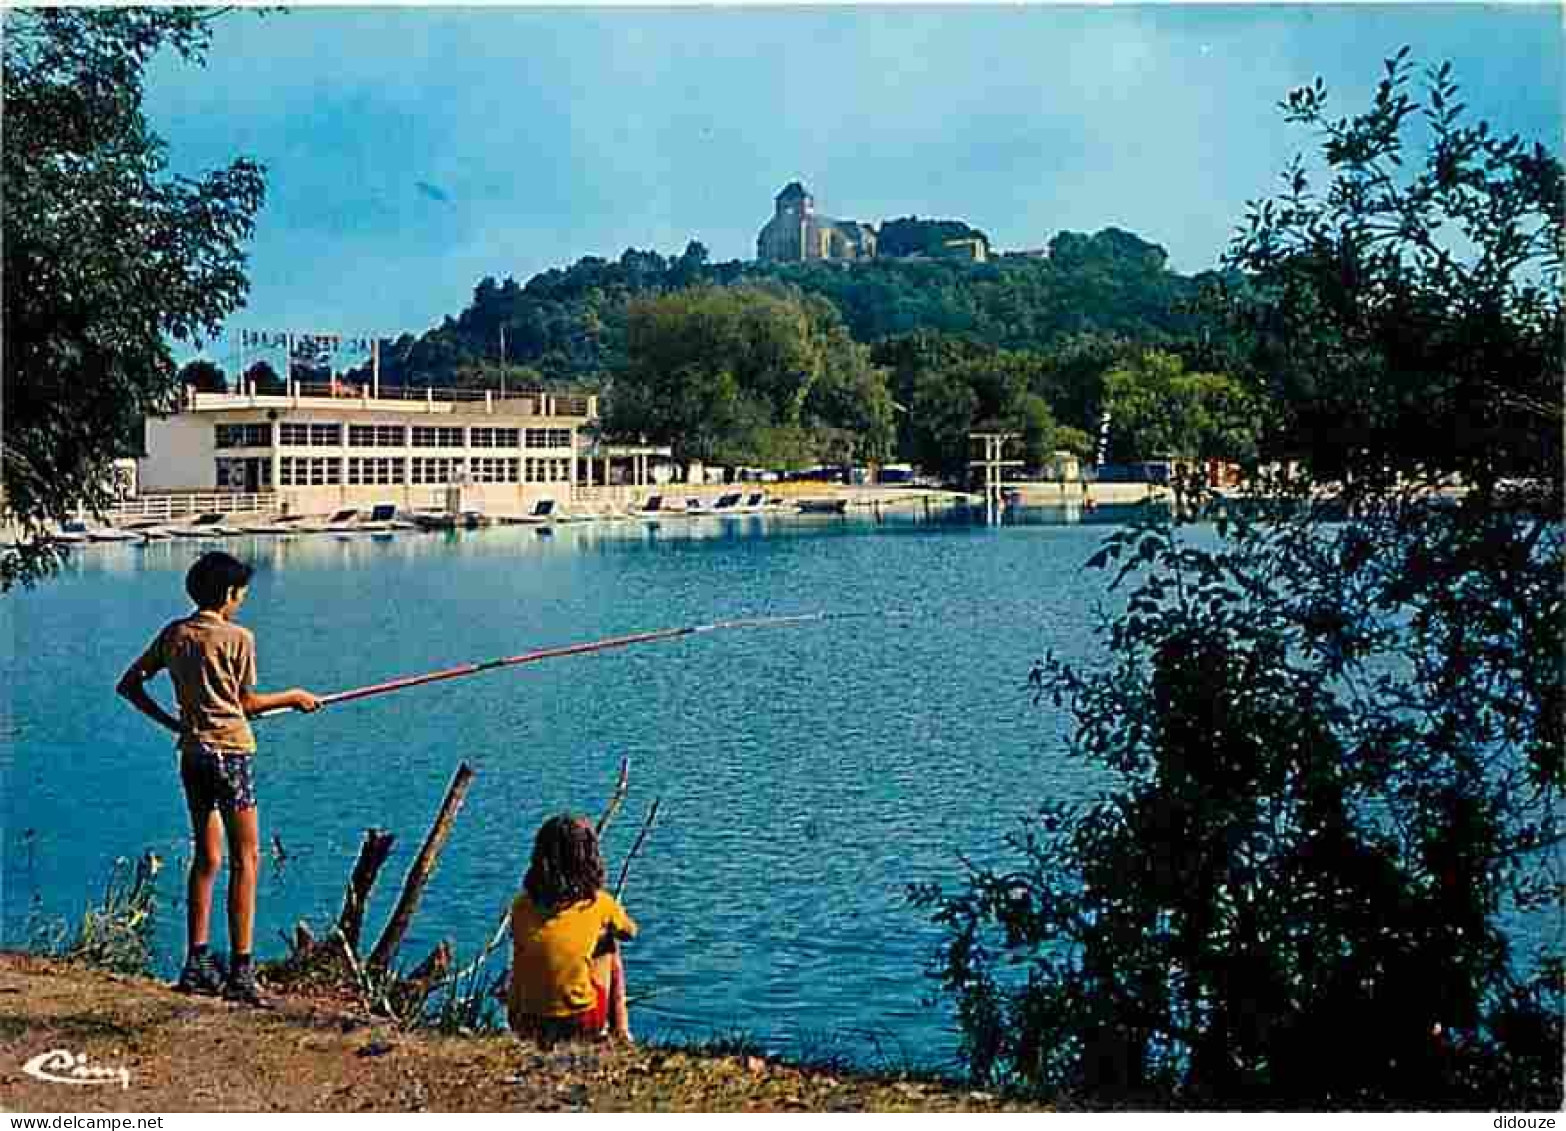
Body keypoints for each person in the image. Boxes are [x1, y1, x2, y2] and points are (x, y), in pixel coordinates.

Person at [117, 551, 320, 1005]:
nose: (242, 600)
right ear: (228, 594)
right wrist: (294, 697)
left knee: (207, 858)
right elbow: (246, 704)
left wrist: (174, 725)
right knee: (246, 859)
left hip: (192, 756)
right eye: (242, 593)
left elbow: (129, 685)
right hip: (231, 756)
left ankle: (197, 962)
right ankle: (242, 972)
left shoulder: (175, 634)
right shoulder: (238, 638)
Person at [508, 815, 637, 1043]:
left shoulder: (520, 905)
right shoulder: (599, 903)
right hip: (580, 1021)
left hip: (523, 1021)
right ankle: (622, 1032)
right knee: (609, 945)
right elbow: (630, 932)